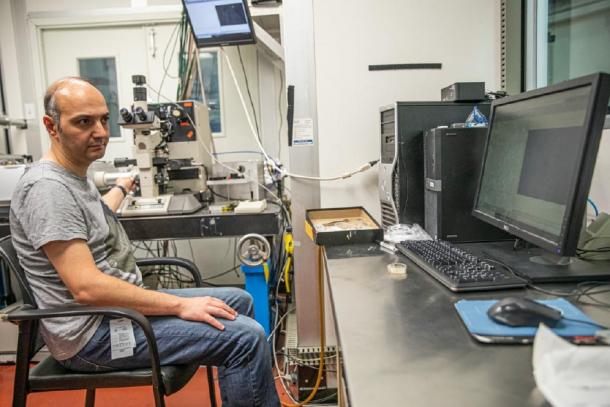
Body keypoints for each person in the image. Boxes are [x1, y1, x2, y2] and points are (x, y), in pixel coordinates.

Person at [9, 77, 280, 407]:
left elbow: (91, 221)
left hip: (113, 313)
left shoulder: (72, 177)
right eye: (83, 122)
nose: (100, 131)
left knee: (237, 301)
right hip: (93, 335)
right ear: (52, 126)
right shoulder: (48, 190)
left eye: (104, 120)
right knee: (245, 338)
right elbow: (87, 288)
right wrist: (180, 305)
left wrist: (122, 188)